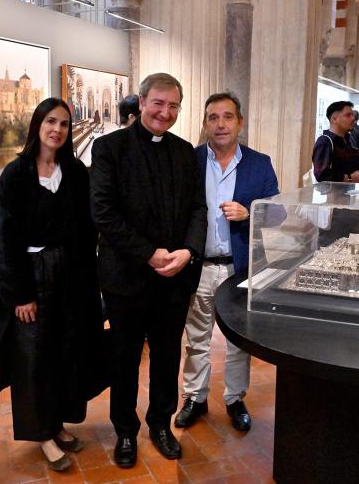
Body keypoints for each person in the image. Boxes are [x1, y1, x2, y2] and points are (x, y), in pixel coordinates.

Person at [90, 73, 207, 468]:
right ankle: (125, 430)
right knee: (124, 357)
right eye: (158, 103)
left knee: (166, 354)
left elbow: (197, 209)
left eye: (174, 105)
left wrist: (188, 252)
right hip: (127, 276)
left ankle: (160, 424)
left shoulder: (185, 151)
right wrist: (150, 254)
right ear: (140, 102)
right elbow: (103, 212)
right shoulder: (109, 149)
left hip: (173, 278)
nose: (165, 112)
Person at [0, 98, 105, 472]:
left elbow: (88, 233)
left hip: (71, 276)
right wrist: (19, 294)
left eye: (64, 124)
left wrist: (91, 285)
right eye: (50, 121)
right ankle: (41, 434)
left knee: (65, 351)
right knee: (32, 357)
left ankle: (57, 424)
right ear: (37, 125)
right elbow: (6, 238)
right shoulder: (16, 174)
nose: (57, 129)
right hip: (31, 275)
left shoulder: (75, 172)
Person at [174, 92, 279, 433]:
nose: (220, 124)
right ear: (204, 123)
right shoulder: (188, 161)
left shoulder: (259, 163)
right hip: (199, 266)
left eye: (227, 117)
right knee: (196, 339)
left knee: (237, 341)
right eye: (212, 117)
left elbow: (276, 216)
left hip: (239, 268)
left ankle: (235, 398)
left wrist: (250, 213)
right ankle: (195, 398)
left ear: (240, 122)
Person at [312, 101, 359, 183]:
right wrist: (350, 178)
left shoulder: (350, 139)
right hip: (332, 194)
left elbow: (354, 167)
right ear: (334, 119)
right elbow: (321, 175)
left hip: (349, 193)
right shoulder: (325, 142)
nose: (353, 118)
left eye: (352, 115)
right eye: (348, 115)